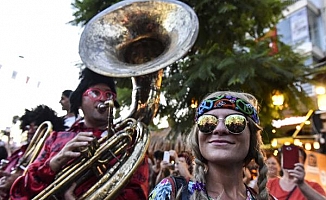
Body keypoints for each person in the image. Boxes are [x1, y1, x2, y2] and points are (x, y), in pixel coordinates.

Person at [10, 68, 150, 200]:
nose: (103, 99)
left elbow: (137, 193)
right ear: (79, 101)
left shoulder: (128, 142)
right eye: (95, 93)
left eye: (109, 95)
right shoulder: (55, 138)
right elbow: (19, 193)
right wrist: (56, 161)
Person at [149, 91, 272, 199]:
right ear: (198, 137)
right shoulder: (171, 192)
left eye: (235, 122)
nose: (219, 129)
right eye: (207, 122)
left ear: (252, 137)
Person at [0, 105, 65, 200]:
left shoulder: (52, 151)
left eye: (35, 127)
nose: (30, 131)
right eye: (28, 127)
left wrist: (17, 181)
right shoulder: (21, 151)